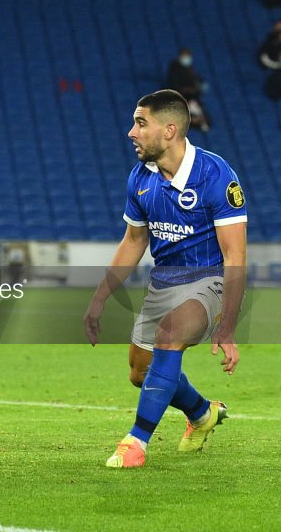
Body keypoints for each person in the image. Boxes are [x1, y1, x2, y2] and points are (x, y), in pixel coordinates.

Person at [84, 89, 246, 468]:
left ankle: (136, 441)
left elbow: (234, 255)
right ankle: (203, 413)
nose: (131, 132)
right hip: (164, 282)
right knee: (141, 373)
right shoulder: (140, 177)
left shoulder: (216, 176)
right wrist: (99, 297)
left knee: (169, 336)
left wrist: (229, 327)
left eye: (141, 123)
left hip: (210, 281)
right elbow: (134, 240)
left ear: (169, 129)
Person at [166, 48, 210, 132]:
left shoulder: (190, 69)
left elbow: (195, 81)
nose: (186, 59)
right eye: (184, 56)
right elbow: (174, 84)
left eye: (188, 56)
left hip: (191, 98)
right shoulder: (175, 69)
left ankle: (199, 123)